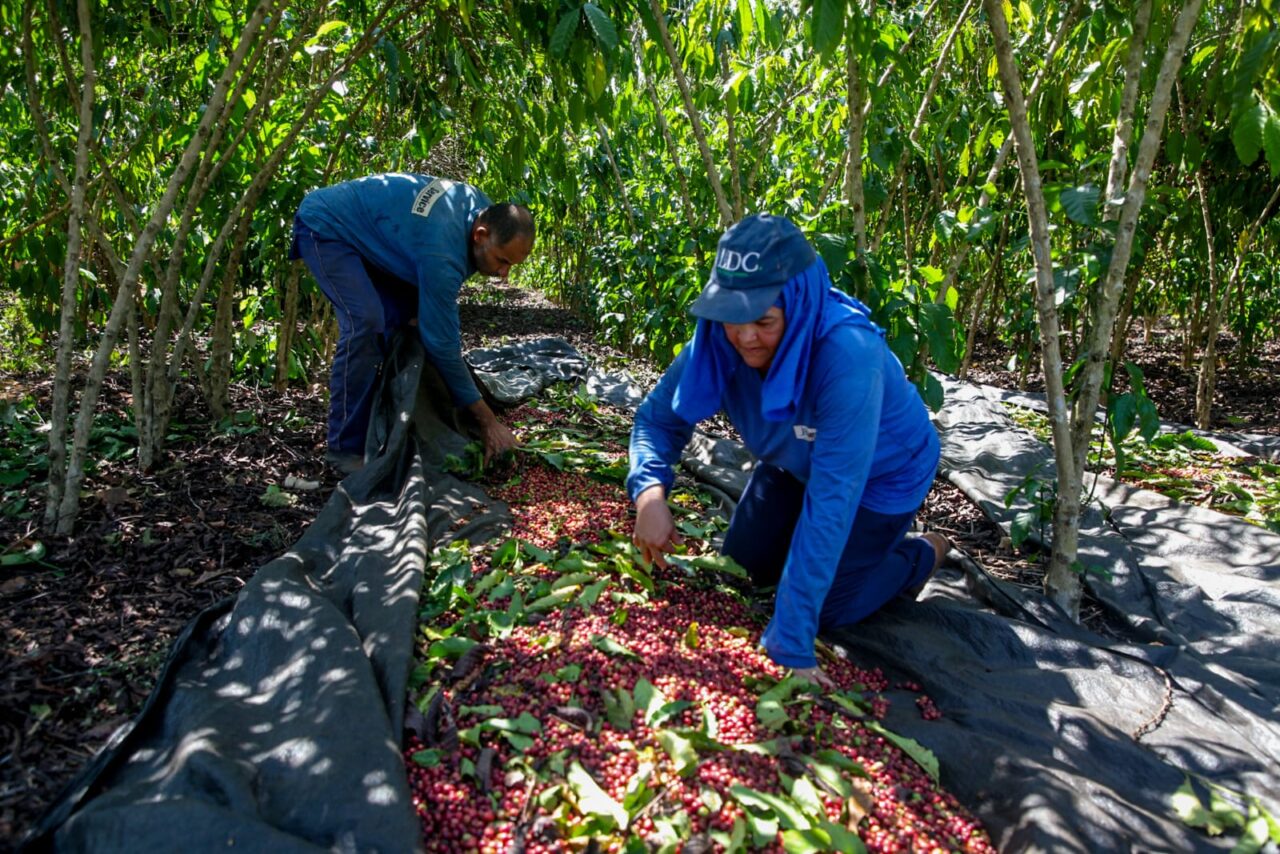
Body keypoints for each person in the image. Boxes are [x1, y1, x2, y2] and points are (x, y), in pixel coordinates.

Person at [627, 214, 948, 688]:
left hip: (878, 478)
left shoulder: (846, 355)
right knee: (744, 571)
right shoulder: (720, 340)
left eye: (763, 320)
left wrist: (792, 642)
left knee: (830, 608)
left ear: (797, 308)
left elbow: (835, 498)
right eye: (733, 318)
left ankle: (925, 552)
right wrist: (650, 495)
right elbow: (656, 420)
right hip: (791, 462)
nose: (745, 337)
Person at [291, 174, 535, 474]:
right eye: (502, 261)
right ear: (480, 235)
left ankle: (390, 425)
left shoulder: (481, 208)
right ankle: (344, 448)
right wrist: (488, 422)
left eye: (510, 264)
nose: (503, 274)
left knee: (408, 321)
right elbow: (443, 345)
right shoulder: (442, 252)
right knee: (366, 323)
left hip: (383, 242)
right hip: (328, 226)